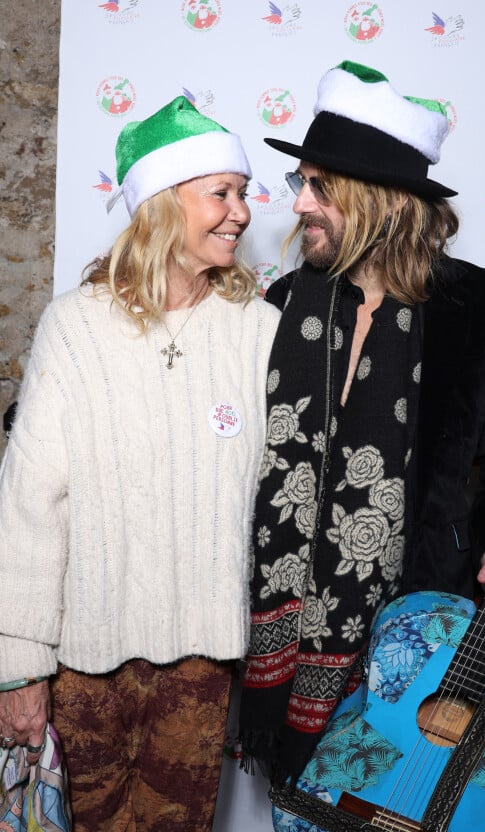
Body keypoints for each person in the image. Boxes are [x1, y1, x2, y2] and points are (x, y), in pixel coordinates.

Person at [238, 61, 485, 787]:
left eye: (320, 187)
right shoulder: (283, 303)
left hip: (418, 627)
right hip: (280, 620)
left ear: (379, 200)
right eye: (301, 183)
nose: (301, 204)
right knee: (304, 805)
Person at [0, 95, 280, 830]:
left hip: (203, 664)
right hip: (84, 663)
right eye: (220, 193)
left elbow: (282, 497)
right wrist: (19, 664)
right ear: (159, 203)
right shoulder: (75, 326)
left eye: (244, 193)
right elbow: (31, 504)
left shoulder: (260, 330)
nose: (242, 213)